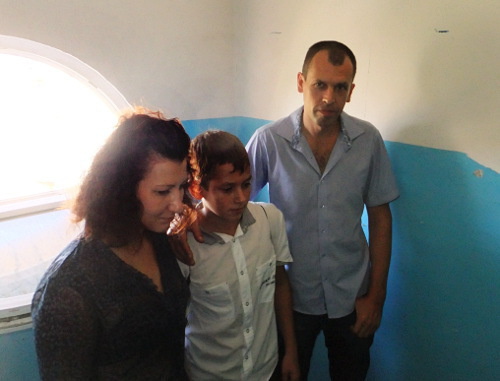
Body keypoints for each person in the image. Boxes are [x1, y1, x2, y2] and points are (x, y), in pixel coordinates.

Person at [245, 41, 400, 380]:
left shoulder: (367, 140)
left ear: (351, 91)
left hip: (352, 296)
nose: (329, 97)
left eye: (340, 87)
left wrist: (376, 296)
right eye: (320, 84)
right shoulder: (269, 140)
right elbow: (231, 202)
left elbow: (380, 217)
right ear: (301, 83)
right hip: (290, 299)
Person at [31, 108, 192, 380]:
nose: (177, 204)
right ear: (121, 189)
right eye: (163, 191)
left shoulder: (160, 239)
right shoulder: (68, 290)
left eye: (182, 186)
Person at [179, 130, 300, 380]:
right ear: (197, 188)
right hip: (210, 374)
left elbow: (280, 285)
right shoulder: (185, 244)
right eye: (227, 188)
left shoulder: (269, 220)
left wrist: (291, 351)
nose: (241, 197)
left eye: (246, 184)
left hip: (265, 368)